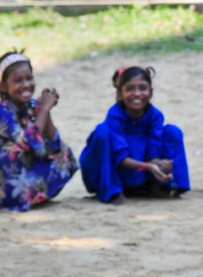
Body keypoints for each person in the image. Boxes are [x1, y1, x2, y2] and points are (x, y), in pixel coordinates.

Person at [0, 51, 79, 211]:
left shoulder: (31, 106)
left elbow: (52, 141)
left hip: (14, 167)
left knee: (63, 152)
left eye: (29, 78)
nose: (26, 85)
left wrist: (44, 110)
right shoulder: (1, 114)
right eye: (18, 81)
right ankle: (12, 198)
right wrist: (44, 109)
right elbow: (28, 141)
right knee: (24, 156)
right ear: (3, 86)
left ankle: (31, 195)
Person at [79, 66, 190, 204]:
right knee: (101, 132)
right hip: (120, 167)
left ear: (151, 92)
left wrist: (160, 164)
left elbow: (153, 150)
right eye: (130, 89)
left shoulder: (155, 115)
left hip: (142, 168)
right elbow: (120, 157)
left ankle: (159, 186)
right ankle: (112, 190)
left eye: (143, 88)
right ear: (119, 94)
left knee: (173, 132)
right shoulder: (114, 116)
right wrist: (148, 166)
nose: (137, 93)